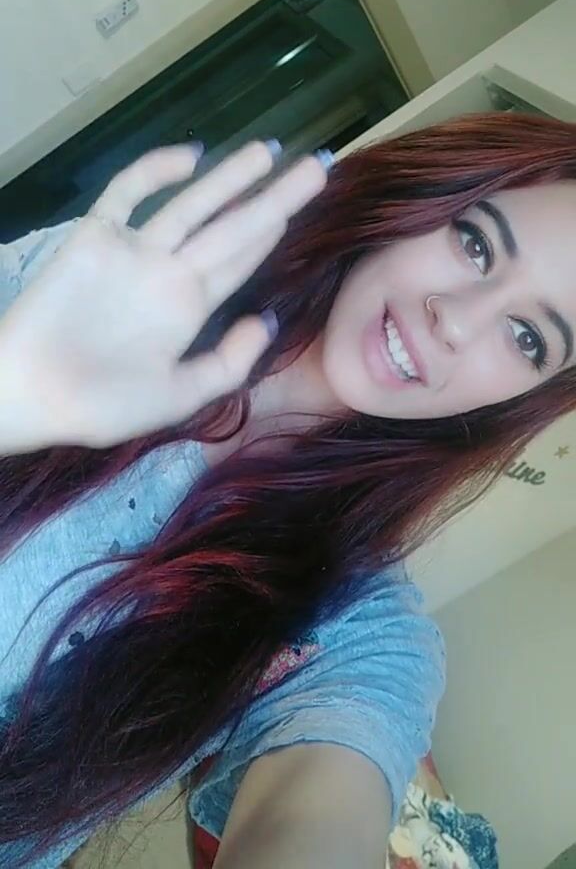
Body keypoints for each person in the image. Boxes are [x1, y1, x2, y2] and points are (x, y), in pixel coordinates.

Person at [0, 112, 574, 869]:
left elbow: (317, 814)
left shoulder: (357, 627)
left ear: (524, 397)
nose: (458, 324)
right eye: (476, 243)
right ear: (418, 195)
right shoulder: (87, 293)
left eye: (528, 338)